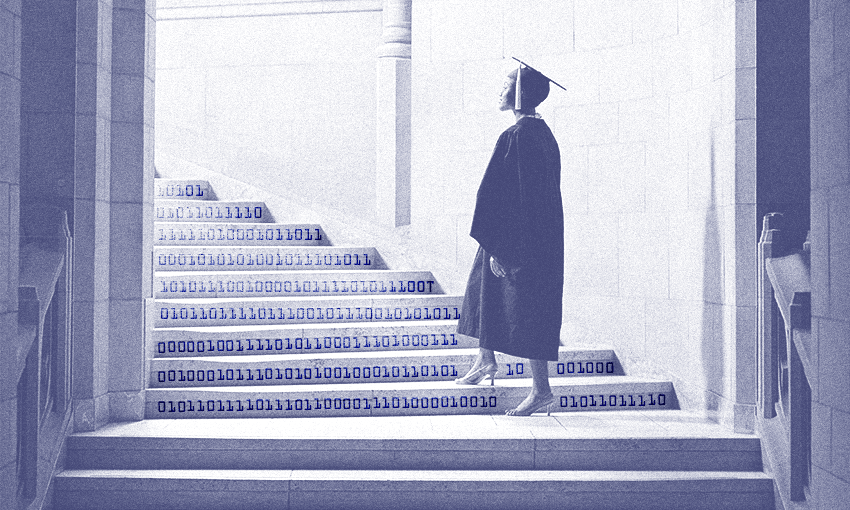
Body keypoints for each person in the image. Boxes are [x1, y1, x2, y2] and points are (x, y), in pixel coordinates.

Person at [455, 62, 564, 417]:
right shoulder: (542, 133)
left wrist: (504, 248)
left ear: (520, 94)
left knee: (531, 309)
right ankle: (485, 360)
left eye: (505, 84)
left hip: (520, 239)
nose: (499, 90)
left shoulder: (517, 136)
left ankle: (541, 391)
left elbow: (507, 195)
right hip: (531, 235)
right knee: (482, 290)